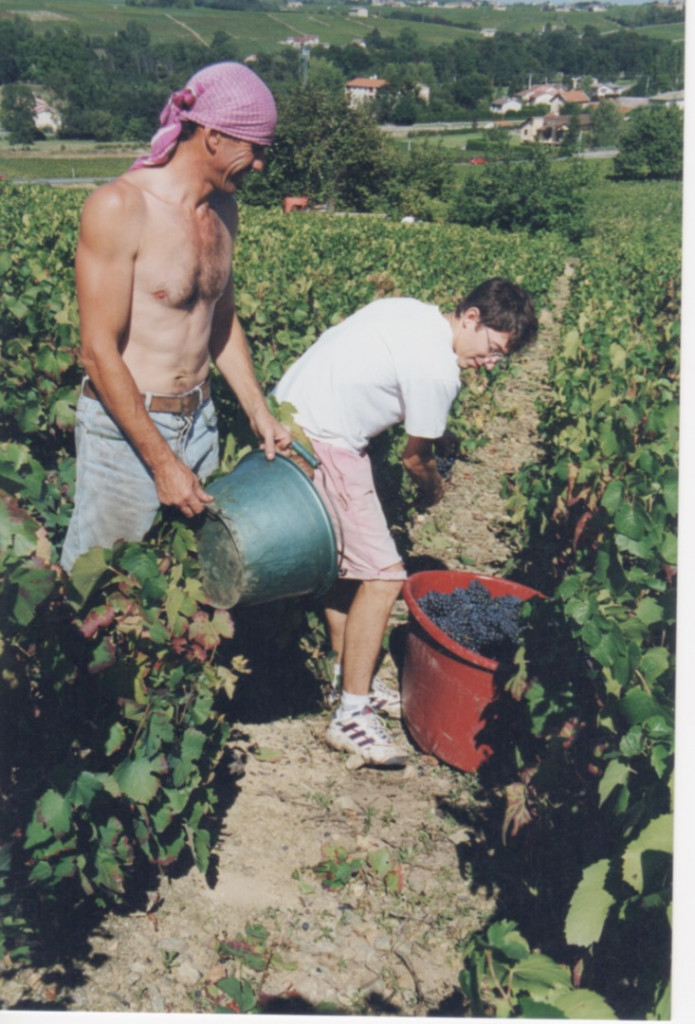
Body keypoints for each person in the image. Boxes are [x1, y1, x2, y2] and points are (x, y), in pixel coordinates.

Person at [274, 278, 538, 767]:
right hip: (326, 438)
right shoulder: (439, 370)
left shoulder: (415, 310)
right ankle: (351, 716)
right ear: (472, 318)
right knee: (385, 575)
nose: (489, 363)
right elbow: (416, 460)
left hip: (286, 413)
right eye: (492, 349)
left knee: (347, 563)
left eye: (501, 358)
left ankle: (349, 679)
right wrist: (435, 490)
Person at [61, 62, 291, 573]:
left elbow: (221, 321)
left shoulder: (222, 213)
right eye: (254, 149)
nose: (259, 166)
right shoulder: (121, 207)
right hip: (125, 430)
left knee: (188, 577)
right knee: (97, 582)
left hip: (201, 420)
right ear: (212, 136)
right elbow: (98, 353)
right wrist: (163, 463)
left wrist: (257, 410)